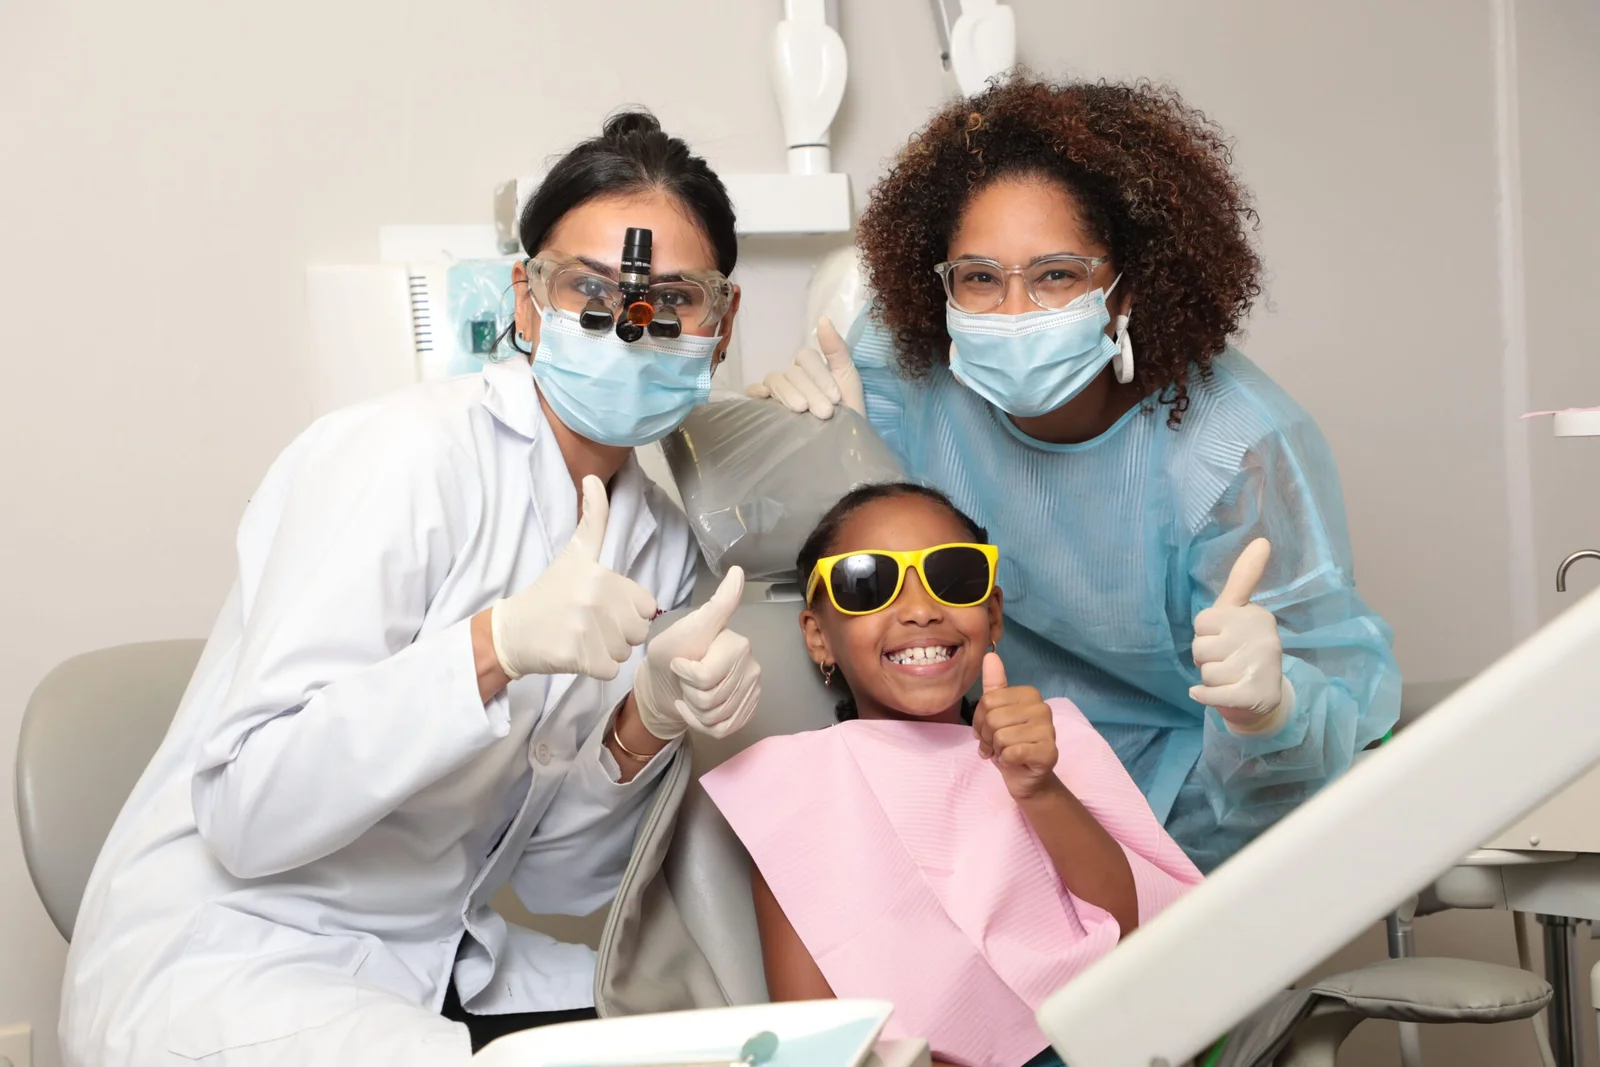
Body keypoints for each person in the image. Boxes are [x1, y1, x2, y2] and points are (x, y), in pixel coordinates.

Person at [61, 111, 762, 1067]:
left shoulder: (661, 544)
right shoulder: (397, 460)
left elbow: (559, 880)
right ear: (526, 300)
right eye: (589, 288)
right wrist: (495, 646)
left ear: (721, 326)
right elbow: (247, 813)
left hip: (430, 959)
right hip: (239, 954)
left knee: (717, 1045)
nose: (631, 326)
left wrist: (648, 714)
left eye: (672, 299)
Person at [750, 75, 1401, 872]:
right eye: (980, 278)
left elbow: (1332, 705)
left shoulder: (1234, 448)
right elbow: (814, 545)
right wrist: (784, 439)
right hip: (988, 770)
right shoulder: (901, 363)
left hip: (1191, 807)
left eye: (1057, 275)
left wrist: (1275, 709)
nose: (1014, 311)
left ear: (1128, 289)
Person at [701, 483, 1201, 1067]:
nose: (920, 609)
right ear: (818, 636)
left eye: (955, 577)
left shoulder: (1052, 742)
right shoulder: (796, 793)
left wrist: (1040, 789)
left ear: (992, 616)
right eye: (869, 583)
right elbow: (815, 1041)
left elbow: (1143, 935)